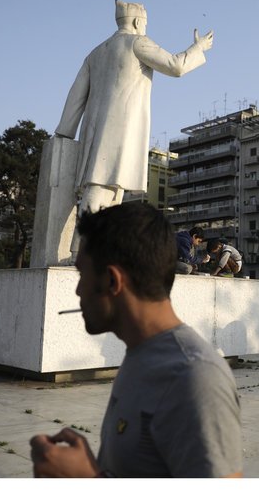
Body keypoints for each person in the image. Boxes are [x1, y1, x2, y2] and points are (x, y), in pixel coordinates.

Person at [29, 202, 242, 478]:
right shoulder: (140, 354)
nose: (78, 290)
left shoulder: (194, 379)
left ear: (113, 281)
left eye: (82, 275)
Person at [53, 0, 214, 251]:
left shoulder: (95, 53)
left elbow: (76, 96)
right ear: (139, 22)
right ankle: (81, 251)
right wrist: (198, 47)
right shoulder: (138, 42)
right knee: (101, 188)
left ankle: (97, 249)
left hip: (93, 129)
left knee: (110, 190)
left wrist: (65, 130)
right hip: (121, 128)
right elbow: (175, 65)